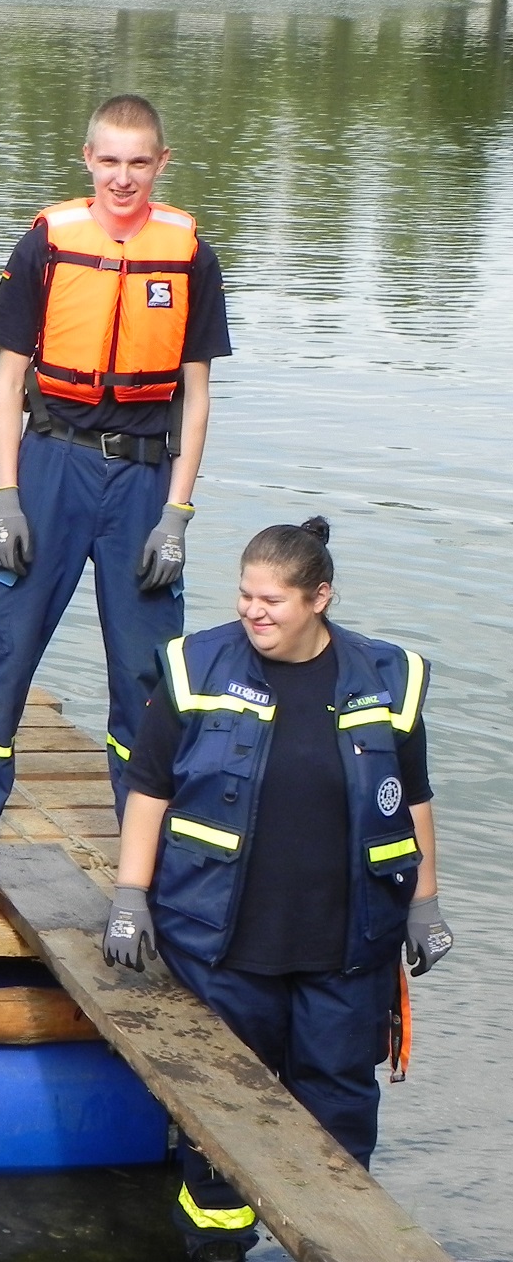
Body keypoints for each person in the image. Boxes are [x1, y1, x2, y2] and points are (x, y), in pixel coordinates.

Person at [103, 518, 454, 1261]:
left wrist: (425, 902)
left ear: (319, 598)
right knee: (224, 1115)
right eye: (245, 596)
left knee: (341, 1101)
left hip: (348, 942)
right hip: (223, 940)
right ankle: (216, 1247)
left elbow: (414, 795)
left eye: (272, 600)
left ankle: (339, 1238)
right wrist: (130, 898)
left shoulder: (389, 677)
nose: (253, 612)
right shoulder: (196, 667)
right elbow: (149, 787)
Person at [0, 94, 233, 907]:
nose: (123, 177)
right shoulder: (47, 244)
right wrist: (5, 497)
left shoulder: (191, 254)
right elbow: (7, 382)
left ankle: (149, 859)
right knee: (5, 653)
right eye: (110, 161)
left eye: (140, 162)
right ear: (87, 160)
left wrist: (178, 515)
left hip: (141, 480)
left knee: (147, 673)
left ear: (162, 164)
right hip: (50, 467)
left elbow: (195, 398)